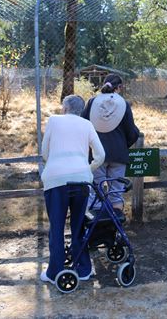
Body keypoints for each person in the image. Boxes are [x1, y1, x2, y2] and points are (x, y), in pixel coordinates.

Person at [40, 95, 105, 284]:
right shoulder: (87, 125)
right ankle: (83, 268)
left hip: (56, 180)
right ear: (82, 110)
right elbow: (100, 156)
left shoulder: (53, 121)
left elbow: (45, 152)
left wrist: (54, 163)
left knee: (57, 228)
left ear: (65, 108)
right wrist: (86, 169)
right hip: (81, 180)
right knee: (79, 226)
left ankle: (55, 272)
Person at [82, 73, 140, 213]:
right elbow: (132, 132)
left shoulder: (92, 102)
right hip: (118, 154)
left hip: (96, 154)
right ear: (119, 87)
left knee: (96, 192)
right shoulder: (123, 104)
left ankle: (96, 228)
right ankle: (115, 228)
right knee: (116, 194)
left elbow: (83, 124)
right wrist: (123, 145)